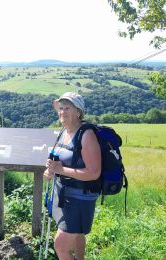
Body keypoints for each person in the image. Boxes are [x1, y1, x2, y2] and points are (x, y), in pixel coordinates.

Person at [44, 92, 101, 260]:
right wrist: (51, 171)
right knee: (77, 235)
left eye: (67, 108)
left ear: (78, 112)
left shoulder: (87, 135)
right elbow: (61, 163)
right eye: (60, 108)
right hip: (63, 194)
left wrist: (61, 170)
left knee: (61, 245)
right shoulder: (64, 132)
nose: (62, 112)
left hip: (80, 198)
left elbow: (94, 172)